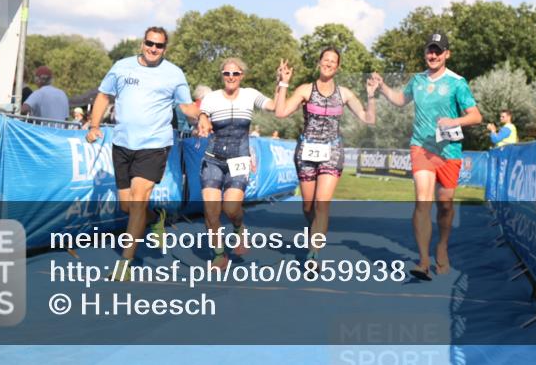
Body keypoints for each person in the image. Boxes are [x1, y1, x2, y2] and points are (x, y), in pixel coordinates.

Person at [85, 27, 203, 281]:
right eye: (150, 43)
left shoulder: (173, 73)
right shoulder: (121, 66)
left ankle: (125, 263)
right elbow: (104, 96)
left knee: (139, 199)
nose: (153, 48)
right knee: (128, 205)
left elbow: (186, 106)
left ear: (165, 49)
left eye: (159, 46)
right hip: (123, 144)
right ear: (142, 43)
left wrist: (201, 116)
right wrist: (94, 125)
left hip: (154, 145)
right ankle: (156, 217)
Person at [373, 32, 482, 281]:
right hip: (421, 147)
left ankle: (442, 244)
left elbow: (476, 116)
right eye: (429, 51)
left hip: (449, 152)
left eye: (438, 51)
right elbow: (401, 100)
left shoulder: (457, 82)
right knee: (422, 200)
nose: (432, 55)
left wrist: (455, 120)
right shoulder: (417, 80)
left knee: (445, 205)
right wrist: (382, 87)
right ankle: (422, 261)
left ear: (447, 54)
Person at [275, 49, 379, 264]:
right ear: (319, 62)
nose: (329, 64)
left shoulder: (345, 94)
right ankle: (314, 231)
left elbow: (368, 119)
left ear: (337, 67)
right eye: (326, 60)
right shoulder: (305, 90)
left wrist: (371, 95)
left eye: (333, 62)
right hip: (306, 151)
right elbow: (281, 112)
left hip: (332, 151)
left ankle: (314, 252)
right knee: (308, 206)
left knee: (322, 204)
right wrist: (283, 84)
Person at [196, 57, 279, 270]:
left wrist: (282, 83)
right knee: (211, 210)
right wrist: (203, 121)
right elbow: (203, 115)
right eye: (226, 73)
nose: (231, 77)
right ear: (222, 75)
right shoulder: (212, 98)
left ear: (242, 75)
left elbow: (275, 107)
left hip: (239, 159)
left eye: (235, 73)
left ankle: (239, 227)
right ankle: (219, 254)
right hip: (213, 159)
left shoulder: (251, 94)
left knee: (231, 208)